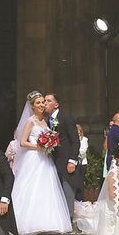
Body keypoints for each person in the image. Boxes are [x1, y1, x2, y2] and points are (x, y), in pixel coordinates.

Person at [10, 91, 72, 235]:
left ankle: (48, 222)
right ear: (32, 106)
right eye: (38, 103)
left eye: (43, 102)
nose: (42, 105)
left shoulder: (46, 121)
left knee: (47, 187)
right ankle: (27, 222)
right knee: (32, 187)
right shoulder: (30, 121)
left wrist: (50, 144)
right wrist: (39, 147)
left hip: (45, 159)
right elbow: (22, 142)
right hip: (33, 157)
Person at [44, 93, 83, 221]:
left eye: (48, 101)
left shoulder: (65, 118)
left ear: (56, 105)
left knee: (67, 190)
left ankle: (68, 219)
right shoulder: (46, 121)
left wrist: (72, 160)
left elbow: (75, 141)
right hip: (52, 161)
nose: (45, 103)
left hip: (66, 160)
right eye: (44, 101)